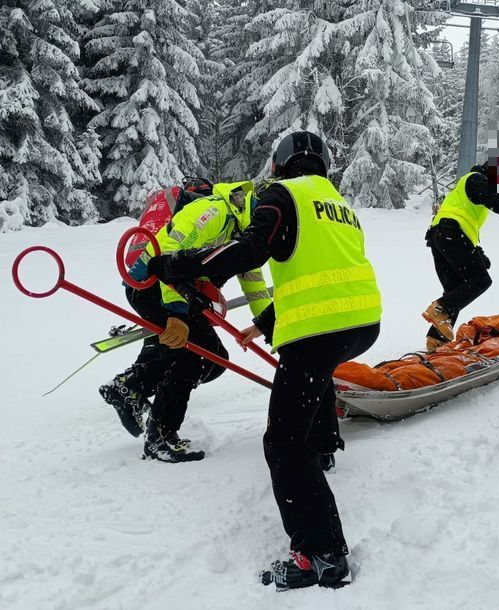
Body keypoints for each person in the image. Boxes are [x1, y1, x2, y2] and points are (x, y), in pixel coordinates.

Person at [144, 131, 381, 590]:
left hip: (319, 332)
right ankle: (324, 446)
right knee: (311, 392)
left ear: (277, 167)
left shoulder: (280, 194)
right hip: (361, 325)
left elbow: (252, 248)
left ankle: (322, 556)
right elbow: (319, 272)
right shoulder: (340, 205)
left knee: (284, 444)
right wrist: (271, 323)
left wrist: (180, 266)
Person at [99, 181, 271, 463]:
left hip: (178, 290)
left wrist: (269, 328)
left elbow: (255, 285)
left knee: (213, 359)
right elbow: (168, 256)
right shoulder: (215, 212)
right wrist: (177, 315)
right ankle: (161, 436)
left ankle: (131, 386)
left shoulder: (246, 236)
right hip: (151, 284)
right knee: (197, 357)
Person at [423, 162, 499, 351]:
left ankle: (436, 341)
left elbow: (465, 220)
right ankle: (439, 308)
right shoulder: (476, 179)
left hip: (440, 236)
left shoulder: (465, 188)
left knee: (456, 290)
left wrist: (478, 252)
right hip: (451, 233)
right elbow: (493, 201)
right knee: (481, 280)